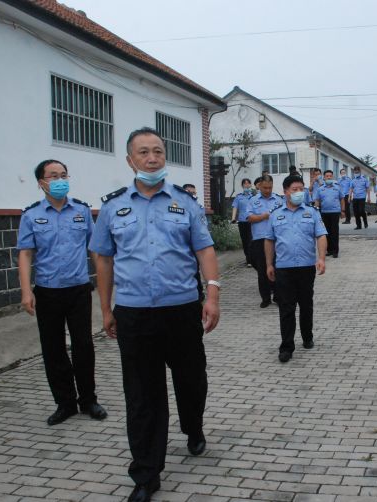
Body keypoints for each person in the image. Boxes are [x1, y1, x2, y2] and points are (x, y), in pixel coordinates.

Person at [89, 127, 221, 502]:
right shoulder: (113, 207)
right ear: (130, 160)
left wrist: (212, 295)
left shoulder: (186, 203)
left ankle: (193, 427)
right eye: (144, 153)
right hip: (134, 315)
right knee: (143, 396)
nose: (152, 158)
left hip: (181, 311)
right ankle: (146, 474)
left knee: (192, 381)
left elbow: (205, 252)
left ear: (166, 158)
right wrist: (106, 309)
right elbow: (104, 259)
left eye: (158, 152)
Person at [17, 160, 108, 427]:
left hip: (78, 290)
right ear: (41, 183)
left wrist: (105, 284)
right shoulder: (31, 216)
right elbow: (25, 254)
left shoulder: (81, 211)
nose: (60, 180)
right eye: (53, 176)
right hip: (47, 291)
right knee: (53, 349)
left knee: (84, 346)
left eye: (64, 175)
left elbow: (95, 250)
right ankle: (65, 403)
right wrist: (25, 291)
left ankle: (88, 400)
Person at [264, 175, 327, 363]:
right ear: (285, 192)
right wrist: (269, 264)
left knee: (306, 305)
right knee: (286, 308)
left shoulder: (312, 212)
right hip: (284, 268)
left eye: (302, 189)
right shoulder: (275, 214)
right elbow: (269, 240)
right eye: (294, 189)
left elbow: (321, 235)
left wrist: (321, 258)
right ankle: (286, 347)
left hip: (306, 267)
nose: (299, 192)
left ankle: (307, 337)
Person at [245, 174, 283, 308]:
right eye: (265, 188)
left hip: (277, 239)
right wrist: (263, 216)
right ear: (259, 186)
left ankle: (278, 296)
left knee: (278, 268)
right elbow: (249, 218)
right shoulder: (253, 200)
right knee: (262, 270)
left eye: (270, 187)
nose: (267, 190)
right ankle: (265, 298)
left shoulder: (279, 200)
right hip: (260, 239)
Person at [313, 169, 345, 258]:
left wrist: (343, 211)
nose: (329, 177)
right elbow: (317, 200)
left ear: (332, 177)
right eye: (327, 176)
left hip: (335, 212)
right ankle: (329, 250)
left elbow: (342, 199)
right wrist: (316, 212)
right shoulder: (320, 189)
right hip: (324, 213)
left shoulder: (337, 187)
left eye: (330, 176)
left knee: (335, 232)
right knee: (326, 232)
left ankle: (335, 251)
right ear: (324, 177)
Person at [230, 178, 254, 267]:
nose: (246, 185)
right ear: (242, 185)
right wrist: (233, 218)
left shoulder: (254, 197)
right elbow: (235, 207)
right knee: (244, 241)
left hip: (251, 221)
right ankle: (248, 258)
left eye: (248, 183)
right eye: (245, 184)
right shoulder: (239, 197)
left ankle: (250, 260)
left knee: (250, 240)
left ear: (250, 185)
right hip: (242, 221)